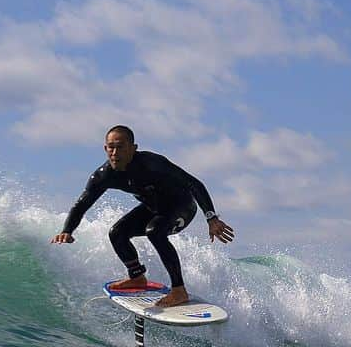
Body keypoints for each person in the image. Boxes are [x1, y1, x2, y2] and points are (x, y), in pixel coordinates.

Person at [50, 125, 234, 308]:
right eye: (110, 147)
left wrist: (211, 218)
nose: (114, 152)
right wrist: (67, 230)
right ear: (105, 149)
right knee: (117, 233)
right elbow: (82, 204)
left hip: (182, 206)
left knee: (154, 231)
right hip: (153, 208)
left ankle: (179, 290)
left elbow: (194, 184)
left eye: (120, 147)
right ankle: (137, 277)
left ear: (133, 148)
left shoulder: (152, 163)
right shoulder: (103, 176)